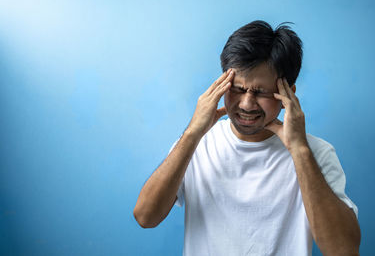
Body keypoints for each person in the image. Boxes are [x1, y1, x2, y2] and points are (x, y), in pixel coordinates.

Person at [133, 20, 361, 255]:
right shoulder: (197, 144)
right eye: (238, 89)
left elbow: (343, 250)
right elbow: (145, 216)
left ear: (288, 95)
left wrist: (299, 150)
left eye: (261, 92)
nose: (247, 104)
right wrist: (193, 133)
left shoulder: (316, 153)